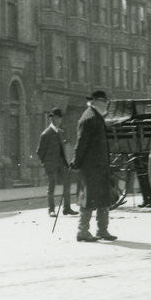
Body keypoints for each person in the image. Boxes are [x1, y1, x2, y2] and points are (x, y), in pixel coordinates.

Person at [70, 90, 117, 242]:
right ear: (97, 101)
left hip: (100, 166)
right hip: (91, 167)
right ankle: (82, 231)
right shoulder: (89, 118)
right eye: (104, 102)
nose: (106, 105)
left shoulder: (96, 116)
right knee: (89, 199)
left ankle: (102, 230)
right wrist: (76, 163)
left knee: (104, 198)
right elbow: (81, 144)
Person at [36, 108, 77, 217]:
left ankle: (67, 208)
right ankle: (51, 210)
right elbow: (40, 152)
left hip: (62, 163)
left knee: (67, 185)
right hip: (51, 165)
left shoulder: (60, 132)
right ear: (52, 119)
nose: (59, 120)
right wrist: (46, 163)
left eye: (60, 118)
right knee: (51, 187)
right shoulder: (46, 134)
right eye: (57, 118)